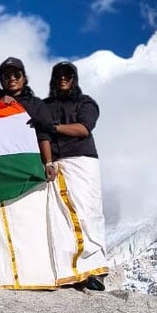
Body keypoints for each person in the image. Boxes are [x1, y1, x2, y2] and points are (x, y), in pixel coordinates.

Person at [0, 57, 59, 289]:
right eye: (7, 76)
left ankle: (36, 275)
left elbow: (43, 134)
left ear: (24, 77)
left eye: (16, 75)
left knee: (30, 219)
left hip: (29, 166)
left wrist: (48, 163)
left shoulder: (36, 104)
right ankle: (2, 272)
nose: (12, 79)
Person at [43, 61, 110, 290]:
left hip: (82, 161)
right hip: (56, 163)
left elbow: (84, 128)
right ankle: (67, 271)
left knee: (87, 212)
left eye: (68, 75)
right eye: (59, 75)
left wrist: (53, 128)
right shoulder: (45, 105)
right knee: (59, 218)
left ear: (74, 78)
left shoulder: (85, 102)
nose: (63, 79)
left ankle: (92, 270)